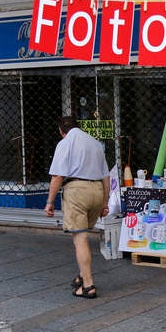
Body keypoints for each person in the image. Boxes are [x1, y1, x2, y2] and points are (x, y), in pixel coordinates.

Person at [45, 116, 110, 299]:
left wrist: (50, 202)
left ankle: (88, 286)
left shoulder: (65, 143)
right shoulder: (95, 143)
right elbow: (106, 177)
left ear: (61, 131)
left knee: (80, 238)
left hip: (77, 191)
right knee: (84, 234)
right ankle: (82, 275)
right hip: (97, 190)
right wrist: (104, 203)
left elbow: (57, 176)